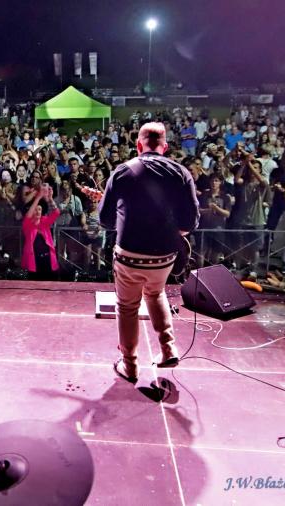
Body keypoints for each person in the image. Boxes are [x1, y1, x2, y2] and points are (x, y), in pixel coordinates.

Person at [98, 122, 199, 381]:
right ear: (165, 147)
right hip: (165, 257)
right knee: (155, 292)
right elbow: (189, 223)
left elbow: (105, 221)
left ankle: (130, 365)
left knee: (127, 306)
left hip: (130, 256)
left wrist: (122, 210)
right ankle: (168, 348)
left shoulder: (122, 172)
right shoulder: (181, 173)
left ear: (138, 145)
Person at [20, 185, 60, 279]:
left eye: (39, 209)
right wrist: (38, 198)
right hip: (34, 260)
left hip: (48, 259)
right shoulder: (27, 224)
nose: (38, 211)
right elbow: (28, 216)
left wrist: (50, 199)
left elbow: (56, 212)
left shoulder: (45, 221)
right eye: (35, 209)